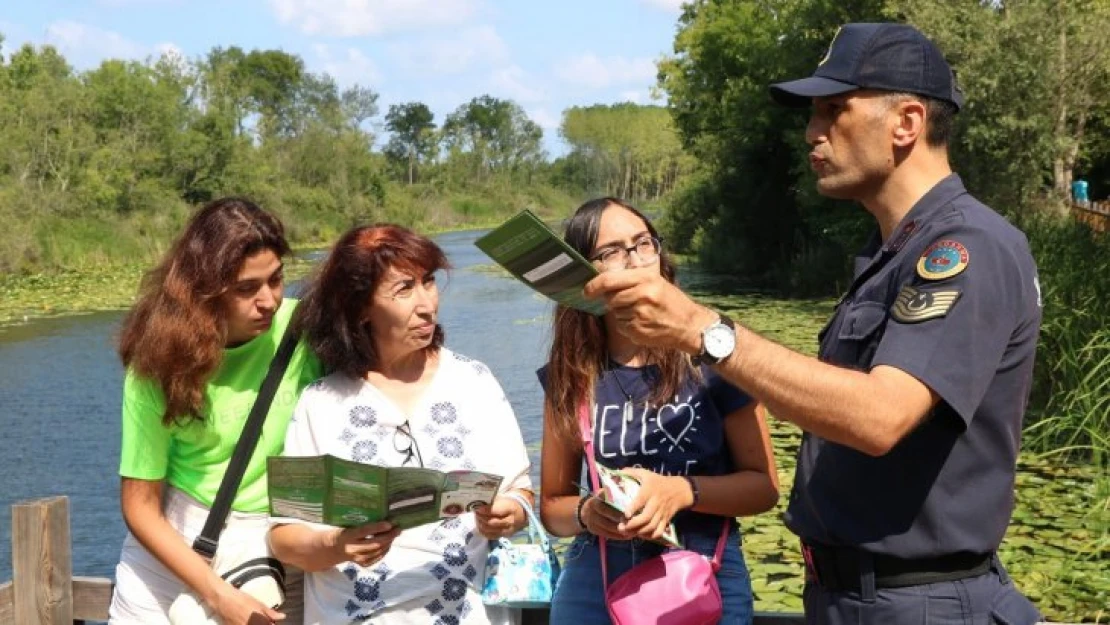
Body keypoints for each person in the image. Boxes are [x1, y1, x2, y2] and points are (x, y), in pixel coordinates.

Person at [583, 23, 1045, 625]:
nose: (812, 132)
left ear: (906, 123)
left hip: (920, 603)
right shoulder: (893, 253)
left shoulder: (965, 249)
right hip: (853, 598)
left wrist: (703, 331)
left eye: (833, 110)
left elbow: (881, 416)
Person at [269, 224, 534, 625]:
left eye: (428, 282)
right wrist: (337, 544)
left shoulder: (474, 382)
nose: (427, 304)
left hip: (469, 612)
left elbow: (520, 492)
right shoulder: (320, 404)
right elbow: (285, 538)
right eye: (404, 289)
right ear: (360, 308)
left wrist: (509, 513)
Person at [537, 198, 780, 624]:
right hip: (596, 574)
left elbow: (764, 488)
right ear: (583, 278)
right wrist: (588, 513)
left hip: (703, 568)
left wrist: (682, 492)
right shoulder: (571, 373)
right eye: (611, 252)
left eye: (643, 244)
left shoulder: (715, 354)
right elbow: (553, 507)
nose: (635, 261)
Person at [109, 197, 323, 625]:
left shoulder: (306, 332)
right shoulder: (159, 361)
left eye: (277, 279)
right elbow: (140, 505)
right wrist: (217, 593)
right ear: (203, 291)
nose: (269, 301)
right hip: (178, 547)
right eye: (247, 288)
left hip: (275, 546)